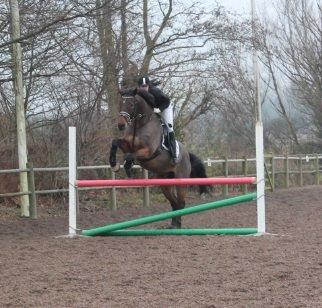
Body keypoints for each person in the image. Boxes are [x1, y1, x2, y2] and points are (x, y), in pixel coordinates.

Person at [122, 76, 178, 163]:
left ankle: (174, 154)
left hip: (164, 107)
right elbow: (129, 94)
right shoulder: (137, 92)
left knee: (169, 127)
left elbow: (166, 101)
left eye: (145, 86)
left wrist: (159, 110)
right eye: (142, 86)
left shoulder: (156, 92)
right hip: (152, 109)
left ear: (149, 86)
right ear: (139, 87)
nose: (144, 88)